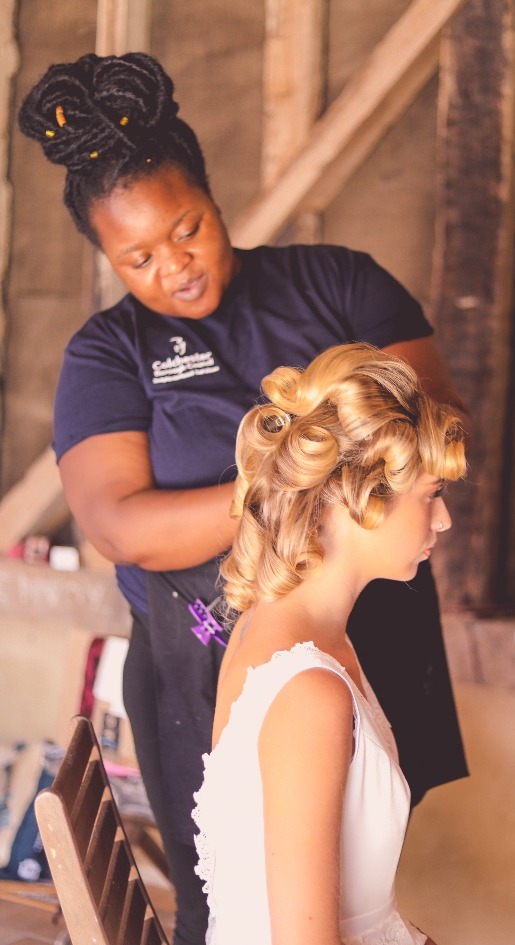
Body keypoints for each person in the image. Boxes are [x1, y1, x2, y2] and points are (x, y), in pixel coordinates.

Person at [18, 52, 470, 945]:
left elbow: (427, 428)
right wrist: (296, 480)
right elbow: (121, 526)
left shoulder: (335, 283)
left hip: (363, 621)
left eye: (186, 228)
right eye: (137, 256)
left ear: (214, 198)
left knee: (349, 865)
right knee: (222, 896)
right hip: (209, 656)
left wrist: (325, 474)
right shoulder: (108, 355)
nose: (173, 267)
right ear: (104, 256)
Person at [192, 342, 467, 945]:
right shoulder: (310, 692)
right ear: (354, 498)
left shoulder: (291, 629)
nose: (442, 521)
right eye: (430, 496)